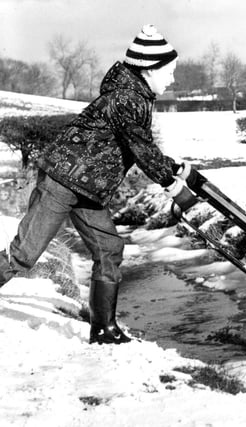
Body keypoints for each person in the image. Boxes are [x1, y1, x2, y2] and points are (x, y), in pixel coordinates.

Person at [0, 25, 199, 345]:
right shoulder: (126, 97)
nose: (172, 78)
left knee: (110, 249)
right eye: (169, 71)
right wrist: (173, 187)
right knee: (25, 253)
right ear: (150, 69)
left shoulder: (136, 96)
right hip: (62, 182)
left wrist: (173, 169)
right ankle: (103, 327)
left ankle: (104, 329)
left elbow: (136, 144)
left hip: (88, 189)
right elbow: (140, 147)